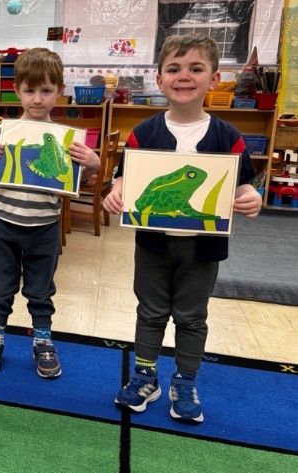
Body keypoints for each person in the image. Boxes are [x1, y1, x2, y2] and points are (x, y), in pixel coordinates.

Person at [102, 34, 261, 422]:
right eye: (173, 69)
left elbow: (244, 183)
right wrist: (115, 192)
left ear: (214, 78)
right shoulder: (144, 132)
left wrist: (251, 198)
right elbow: (126, 178)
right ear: (159, 80)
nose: (184, 76)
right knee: (151, 311)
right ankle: (144, 375)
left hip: (203, 249)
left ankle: (186, 379)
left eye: (195, 68)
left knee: (192, 316)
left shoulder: (228, 136)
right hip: (153, 244)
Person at [0, 48, 100, 378]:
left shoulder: (66, 140)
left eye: (46, 90)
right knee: (0, 287)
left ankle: (42, 340)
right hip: (4, 222)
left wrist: (92, 166)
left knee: (41, 290)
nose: (38, 99)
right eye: (30, 90)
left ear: (59, 91)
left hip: (43, 226)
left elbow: (72, 184)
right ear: (17, 90)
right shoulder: (4, 131)